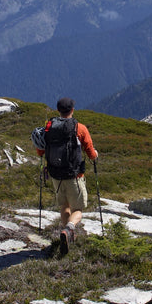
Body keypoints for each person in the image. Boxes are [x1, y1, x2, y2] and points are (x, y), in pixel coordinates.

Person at [38, 96, 98, 255]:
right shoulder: (79, 128)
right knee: (77, 209)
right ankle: (69, 230)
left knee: (64, 206)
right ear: (72, 110)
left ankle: (68, 234)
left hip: (55, 176)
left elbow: (40, 150)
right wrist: (95, 155)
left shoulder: (49, 128)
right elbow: (90, 153)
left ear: (58, 110)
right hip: (74, 176)